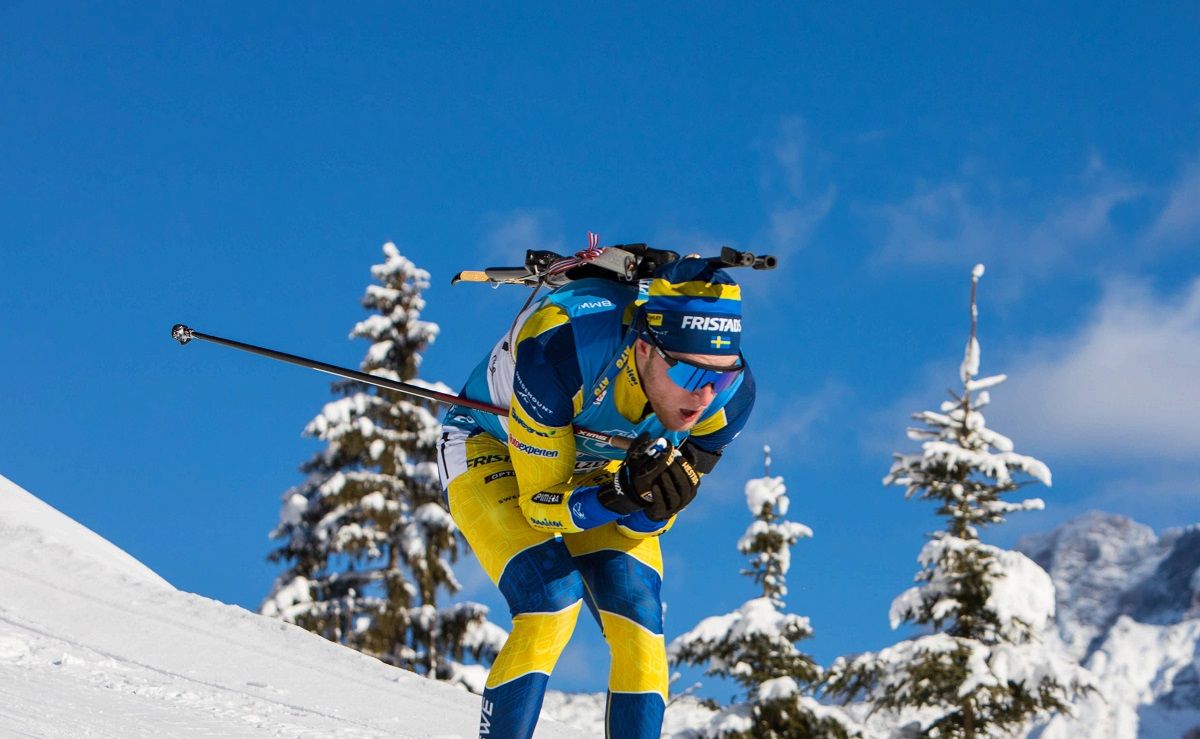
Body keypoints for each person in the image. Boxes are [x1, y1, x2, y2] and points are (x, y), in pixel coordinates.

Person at [436, 256, 756, 738]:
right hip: (495, 449)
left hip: (601, 466)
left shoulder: (730, 402)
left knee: (640, 621)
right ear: (646, 349)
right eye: (692, 377)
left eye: (723, 377)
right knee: (550, 600)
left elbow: (647, 517)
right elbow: (541, 507)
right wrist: (618, 496)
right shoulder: (561, 348)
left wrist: (649, 506)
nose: (707, 395)